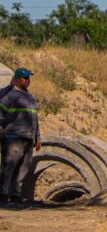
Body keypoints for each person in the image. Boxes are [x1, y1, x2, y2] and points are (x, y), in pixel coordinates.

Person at [0, 67, 40, 203]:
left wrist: (38, 137)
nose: (28, 81)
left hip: (28, 137)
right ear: (16, 80)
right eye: (25, 78)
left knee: (23, 167)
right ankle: (3, 193)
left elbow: (35, 118)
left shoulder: (31, 97)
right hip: (13, 136)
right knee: (9, 166)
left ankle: (16, 194)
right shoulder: (10, 96)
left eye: (29, 78)